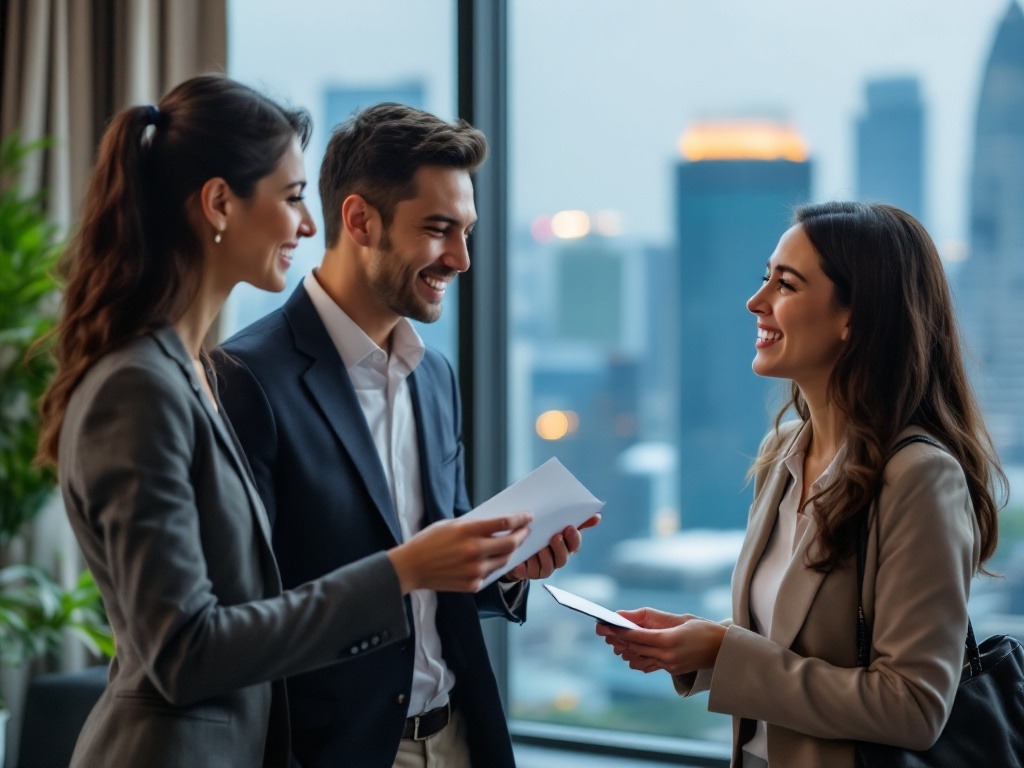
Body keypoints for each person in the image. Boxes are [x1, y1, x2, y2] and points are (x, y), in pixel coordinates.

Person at [36, 76, 533, 768]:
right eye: (294, 197)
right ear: (219, 204)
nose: (307, 224)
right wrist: (401, 571)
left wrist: (494, 565)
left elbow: (251, 602)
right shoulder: (157, 384)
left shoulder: (188, 373)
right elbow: (185, 650)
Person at [216, 102, 598, 768]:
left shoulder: (434, 375)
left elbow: (430, 576)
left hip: (457, 740)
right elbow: (247, 618)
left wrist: (506, 568)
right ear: (360, 220)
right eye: (439, 230)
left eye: (468, 232)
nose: (461, 258)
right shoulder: (247, 378)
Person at [596, 201, 1004, 767]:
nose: (755, 302)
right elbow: (788, 645)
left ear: (853, 317)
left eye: (785, 285)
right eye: (765, 278)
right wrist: (697, 644)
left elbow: (913, 706)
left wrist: (725, 650)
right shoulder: (784, 451)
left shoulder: (919, 476)